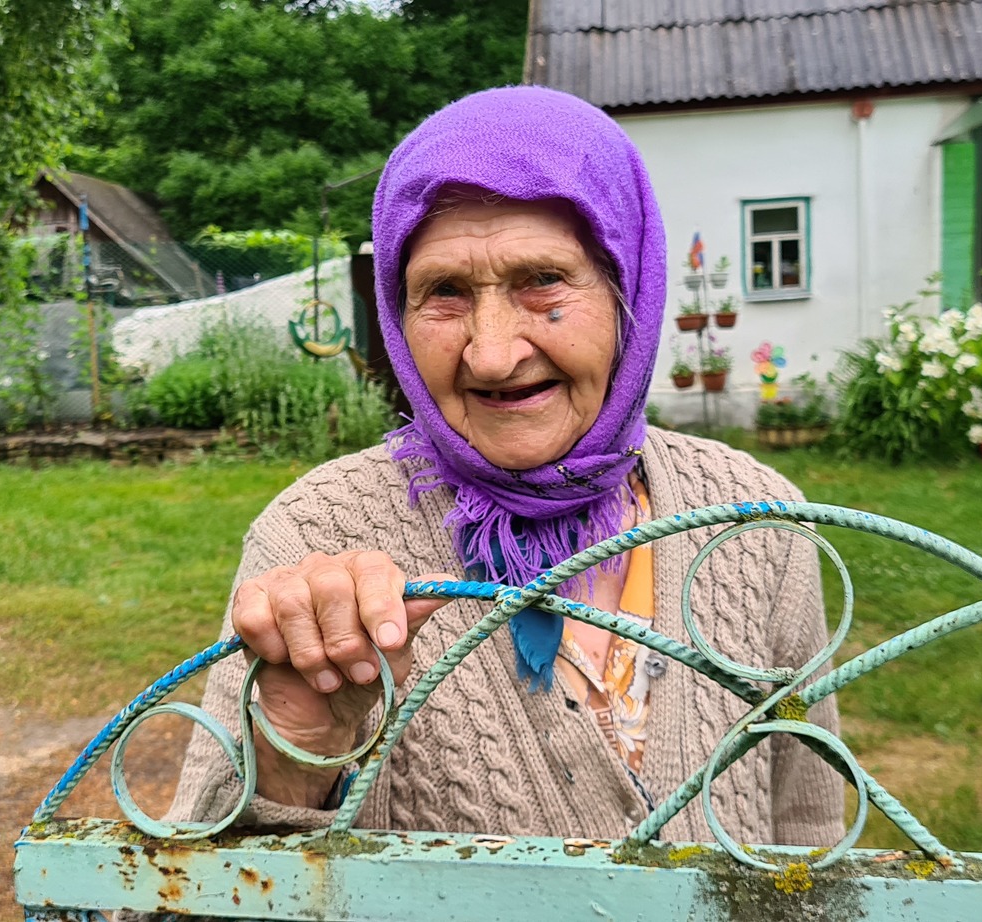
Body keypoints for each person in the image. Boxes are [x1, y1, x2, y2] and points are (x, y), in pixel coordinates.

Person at [167, 86, 844, 846]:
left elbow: (810, 837)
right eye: (444, 292)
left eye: (542, 280)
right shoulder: (313, 534)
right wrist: (300, 740)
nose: (492, 353)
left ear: (629, 288)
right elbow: (197, 880)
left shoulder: (758, 521)